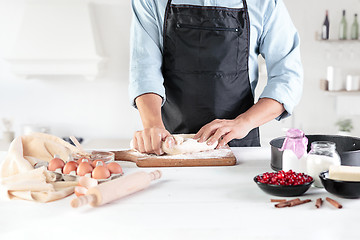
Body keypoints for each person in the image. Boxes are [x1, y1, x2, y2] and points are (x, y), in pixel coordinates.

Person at [129, 0, 303, 155]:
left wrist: (244, 122)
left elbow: (287, 78)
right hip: (169, 144)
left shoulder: (265, 3)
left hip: (239, 150)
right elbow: (144, 70)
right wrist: (153, 126)